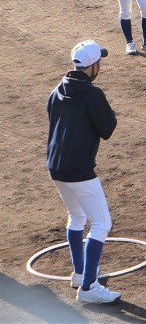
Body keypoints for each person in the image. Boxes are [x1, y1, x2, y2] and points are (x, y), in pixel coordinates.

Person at [47, 40, 120, 303]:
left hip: (55, 167)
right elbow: (107, 129)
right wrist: (112, 114)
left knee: (76, 217)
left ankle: (79, 273)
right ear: (92, 66)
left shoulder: (56, 91)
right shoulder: (93, 94)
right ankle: (88, 287)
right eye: (99, 61)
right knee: (102, 223)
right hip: (79, 169)